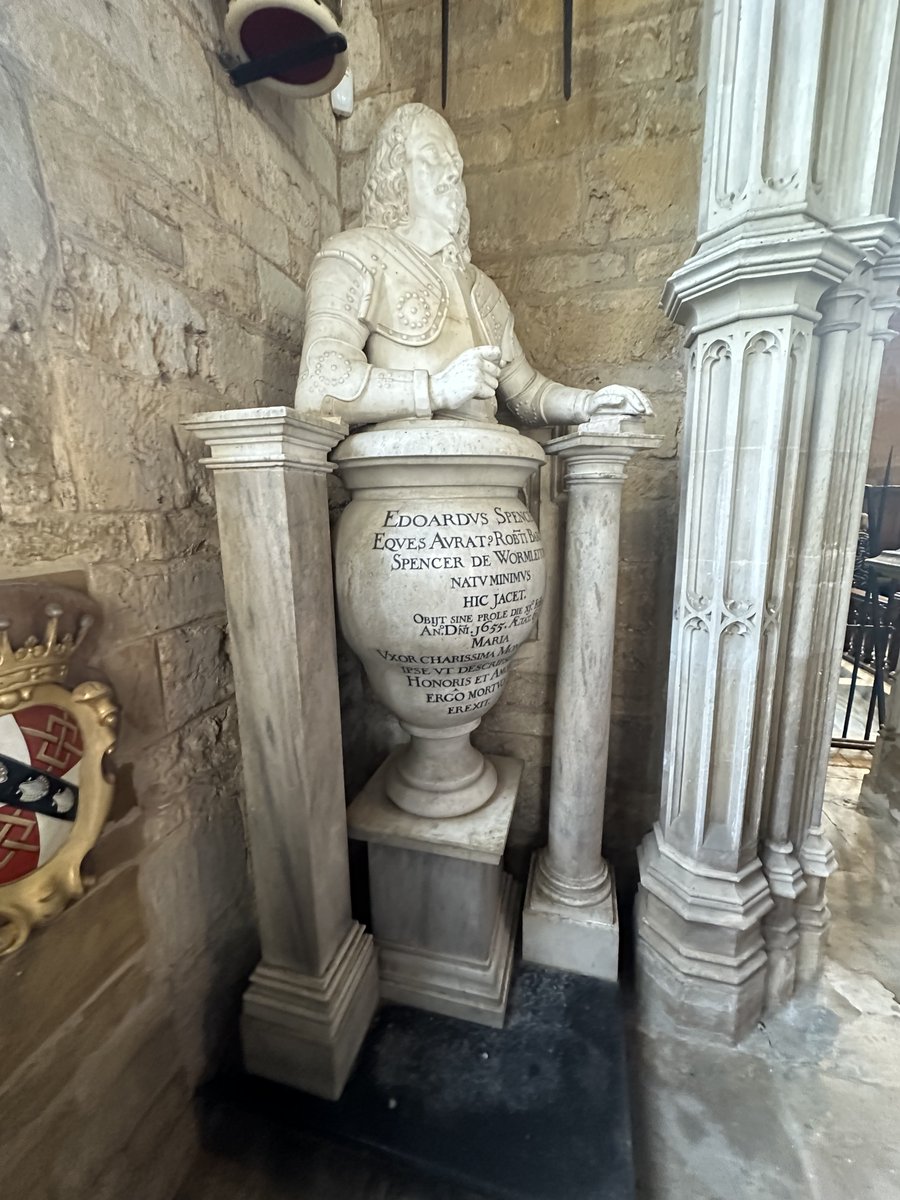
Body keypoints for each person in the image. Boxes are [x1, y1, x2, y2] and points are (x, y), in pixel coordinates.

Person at [294, 103, 643, 429]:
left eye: (455, 159)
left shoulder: (482, 288)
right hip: (403, 477)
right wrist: (437, 390)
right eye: (433, 154)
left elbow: (526, 392)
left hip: (494, 471)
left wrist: (588, 404)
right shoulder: (355, 256)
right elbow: (321, 385)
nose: (452, 169)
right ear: (396, 173)